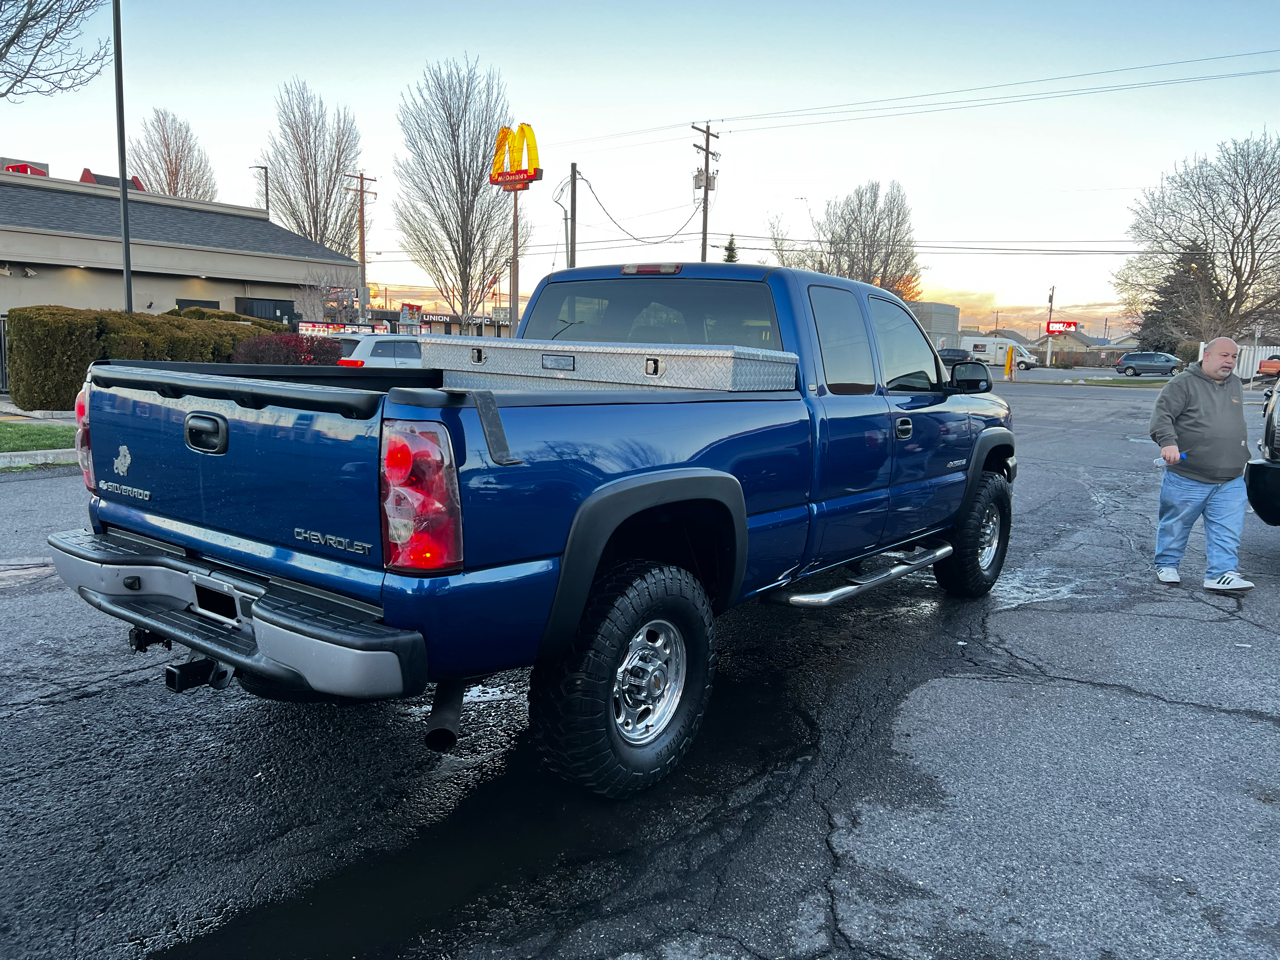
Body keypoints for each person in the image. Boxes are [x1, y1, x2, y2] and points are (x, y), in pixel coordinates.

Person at [1149, 337, 1253, 592]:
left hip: (1230, 477)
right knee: (1176, 524)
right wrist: (1168, 443)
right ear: (1206, 355)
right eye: (1224, 355)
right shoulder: (1182, 383)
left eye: (1234, 357)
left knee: (1227, 529)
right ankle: (1167, 564)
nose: (1229, 361)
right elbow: (1162, 416)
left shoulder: (1235, 384)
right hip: (1189, 474)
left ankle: (1221, 574)